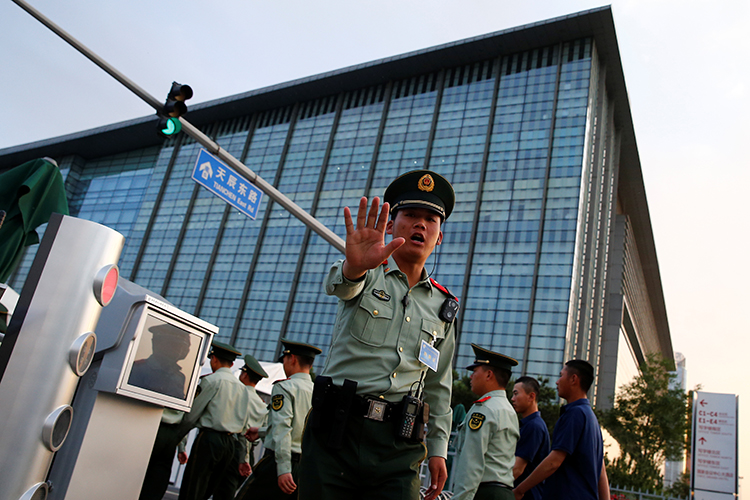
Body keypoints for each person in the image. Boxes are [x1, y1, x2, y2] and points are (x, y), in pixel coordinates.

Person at [298, 170, 459, 500]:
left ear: (439, 235)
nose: (420, 224)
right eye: (411, 215)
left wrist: (439, 447)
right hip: (336, 433)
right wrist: (354, 266)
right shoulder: (368, 272)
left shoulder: (444, 306)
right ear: (390, 225)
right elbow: (340, 284)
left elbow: (439, 385)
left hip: (399, 444)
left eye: (430, 219)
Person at [512, 360, 610, 500]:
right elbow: (601, 471)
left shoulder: (574, 414)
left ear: (573, 379)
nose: (557, 382)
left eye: (561, 375)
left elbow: (553, 462)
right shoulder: (591, 418)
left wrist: (520, 490)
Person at [235, 339, 320, 500]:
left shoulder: (284, 388)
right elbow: (301, 427)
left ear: (292, 358)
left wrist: (283, 469)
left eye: (285, 360)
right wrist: (260, 432)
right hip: (304, 468)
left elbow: (283, 428)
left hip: (278, 464)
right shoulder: (318, 392)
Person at [177, 341, 253, 500]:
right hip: (230, 444)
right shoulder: (242, 389)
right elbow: (244, 425)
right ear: (232, 364)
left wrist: (177, 439)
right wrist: (242, 457)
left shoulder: (210, 381)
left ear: (214, 359)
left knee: (194, 486)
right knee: (209, 488)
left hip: (210, 439)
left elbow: (192, 416)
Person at [451, 344, 520, 500]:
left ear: (489, 375)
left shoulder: (484, 409)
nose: (471, 376)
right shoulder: (508, 410)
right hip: (505, 493)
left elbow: (471, 463)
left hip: (484, 493)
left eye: (475, 371)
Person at [210, 354, 269, 500]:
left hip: (236, 448)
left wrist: (244, 458)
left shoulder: (238, 395)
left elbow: (242, 429)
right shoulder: (262, 404)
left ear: (244, 375)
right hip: (251, 451)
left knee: (222, 491)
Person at [510, 376, 550, 500]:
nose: (512, 399)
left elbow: (517, 469)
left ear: (531, 396)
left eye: (516, 394)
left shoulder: (534, 426)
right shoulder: (529, 425)